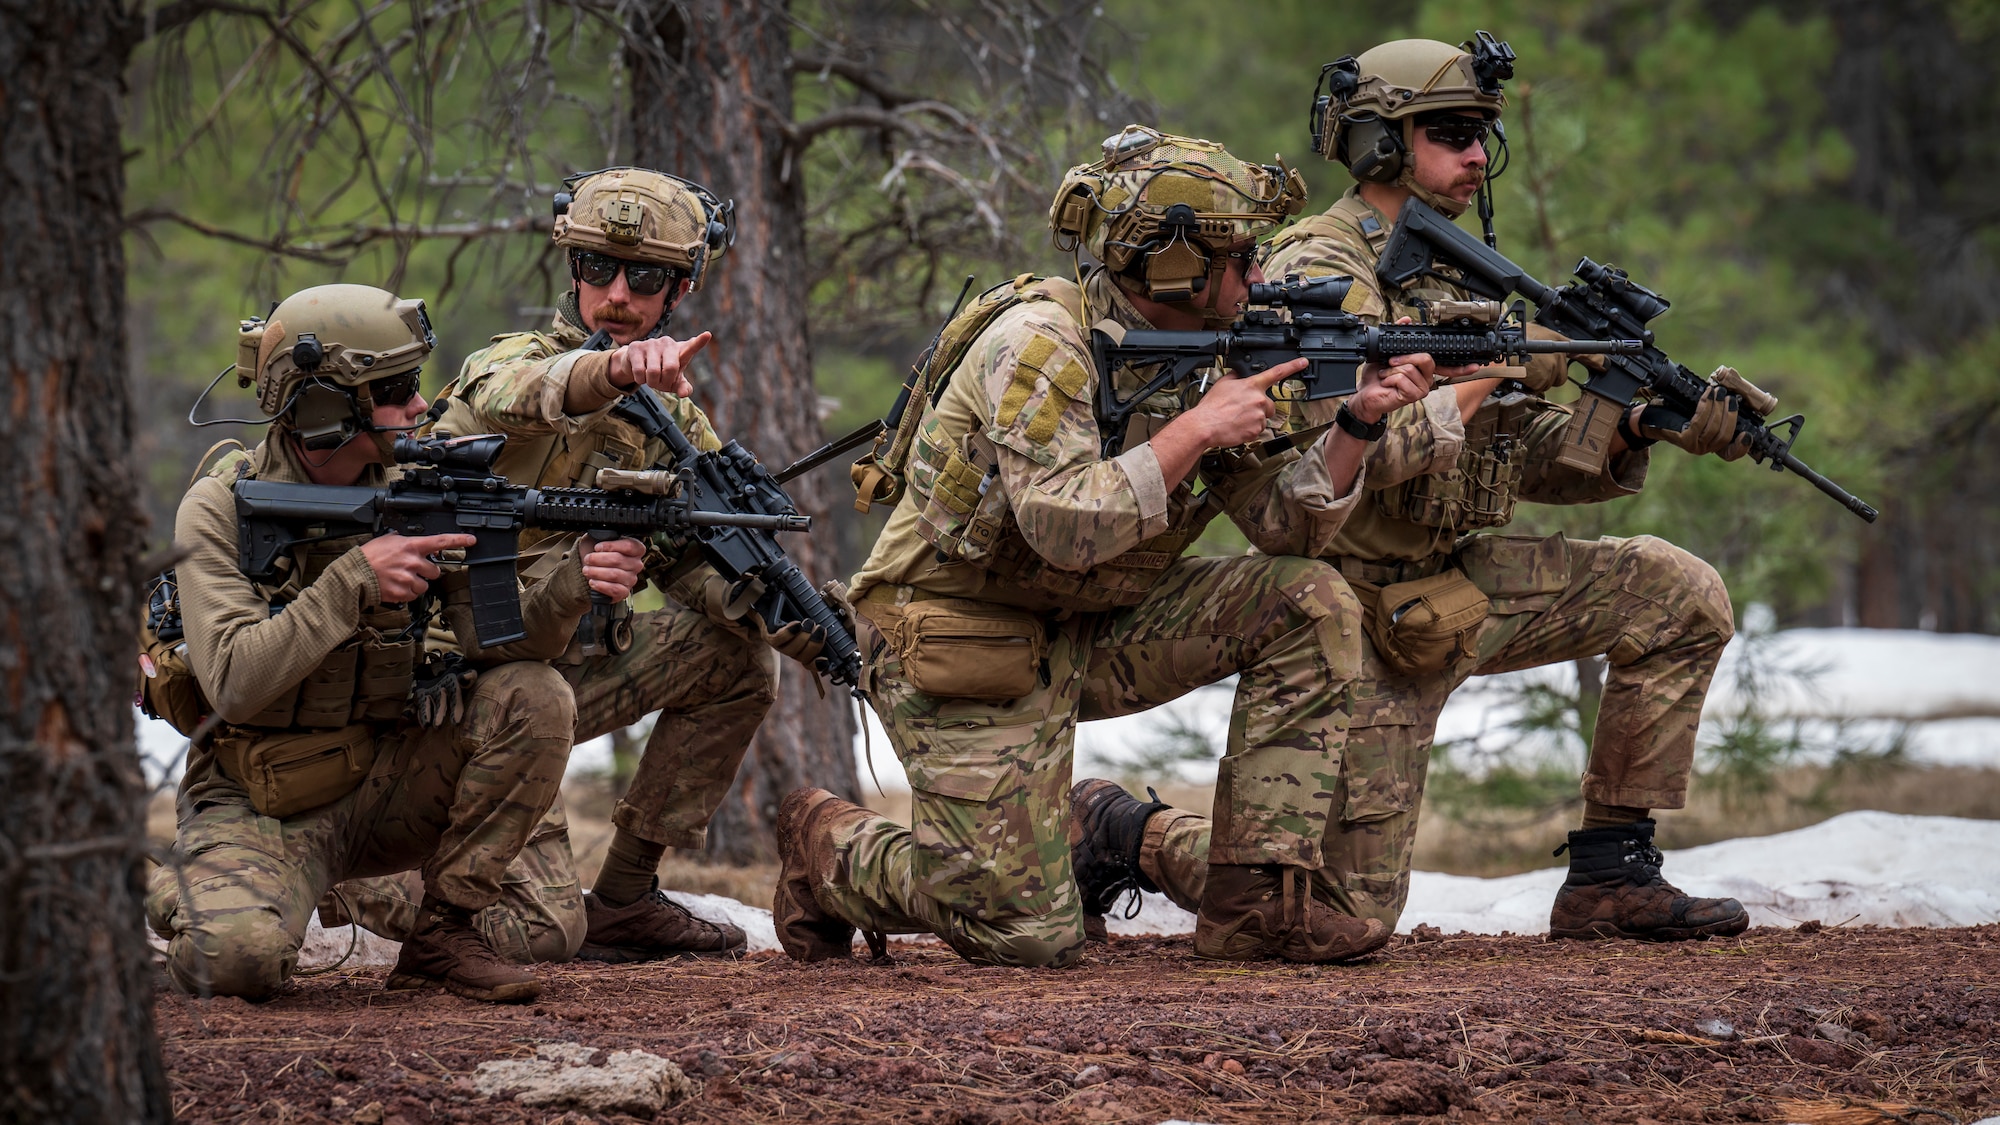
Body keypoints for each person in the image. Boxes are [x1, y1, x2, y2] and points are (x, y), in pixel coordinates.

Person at [1072, 37, 1755, 945]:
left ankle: (1609, 875)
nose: (1477, 154)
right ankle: (1129, 831)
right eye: (1451, 132)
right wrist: (1488, 377)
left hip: (1459, 583)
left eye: (1483, 136)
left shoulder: (1456, 266)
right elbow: (1323, 465)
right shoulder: (1311, 276)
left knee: (1678, 594)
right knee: (1328, 920)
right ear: (1378, 145)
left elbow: (1508, 455)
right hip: (1350, 615)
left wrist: (1633, 424)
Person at [773, 125, 1435, 969]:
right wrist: (1196, 430)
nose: (1259, 275)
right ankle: (828, 846)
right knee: (1024, 931)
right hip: (959, 636)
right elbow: (1060, 524)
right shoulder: (1041, 342)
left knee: (1308, 597)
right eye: (1242, 254)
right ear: (1176, 264)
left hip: (1095, 623)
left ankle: (1252, 901)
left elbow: (1287, 527)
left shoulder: (1211, 349)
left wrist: (1358, 424)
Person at [319, 167, 814, 964]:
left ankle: (626, 894)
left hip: (571, 667)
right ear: (571, 270)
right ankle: (335, 877)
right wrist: (611, 373)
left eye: (645, 276)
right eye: (596, 268)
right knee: (543, 933)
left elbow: (697, 561)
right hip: (473, 692)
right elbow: (522, 391)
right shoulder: (510, 363)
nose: (617, 293)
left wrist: (780, 608)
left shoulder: (675, 419)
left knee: (740, 657)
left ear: (679, 290)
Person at [145, 284, 648, 1002]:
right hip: (263, 798)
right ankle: (192, 889)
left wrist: (576, 579)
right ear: (323, 410)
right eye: (395, 389)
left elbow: (493, 645)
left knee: (536, 712)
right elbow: (231, 681)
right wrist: (353, 580)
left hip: (388, 784)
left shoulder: (425, 479)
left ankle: (442, 932)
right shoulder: (222, 505)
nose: (420, 406)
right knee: (236, 962)